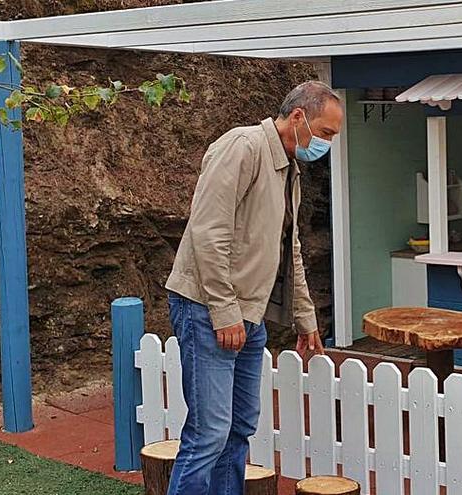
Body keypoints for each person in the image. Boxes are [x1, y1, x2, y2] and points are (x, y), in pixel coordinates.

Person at [163, 80, 344, 495]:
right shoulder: (241, 147)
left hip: (250, 315)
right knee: (209, 433)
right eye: (327, 132)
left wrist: (305, 318)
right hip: (207, 308)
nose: (328, 143)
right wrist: (224, 313)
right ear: (298, 117)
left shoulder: (289, 167)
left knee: (240, 428)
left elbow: (289, 247)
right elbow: (209, 234)